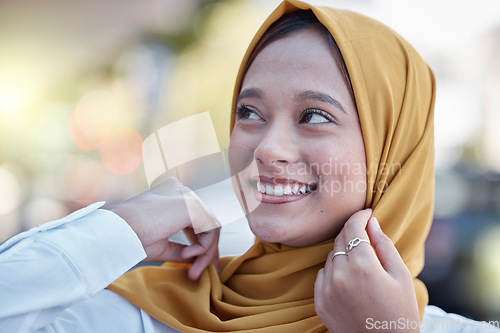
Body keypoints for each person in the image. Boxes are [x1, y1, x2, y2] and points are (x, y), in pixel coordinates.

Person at [1, 0, 499, 332]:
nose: (266, 148)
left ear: (396, 151)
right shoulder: (141, 315)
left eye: (314, 116)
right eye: (250, 113)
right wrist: (128, 222)